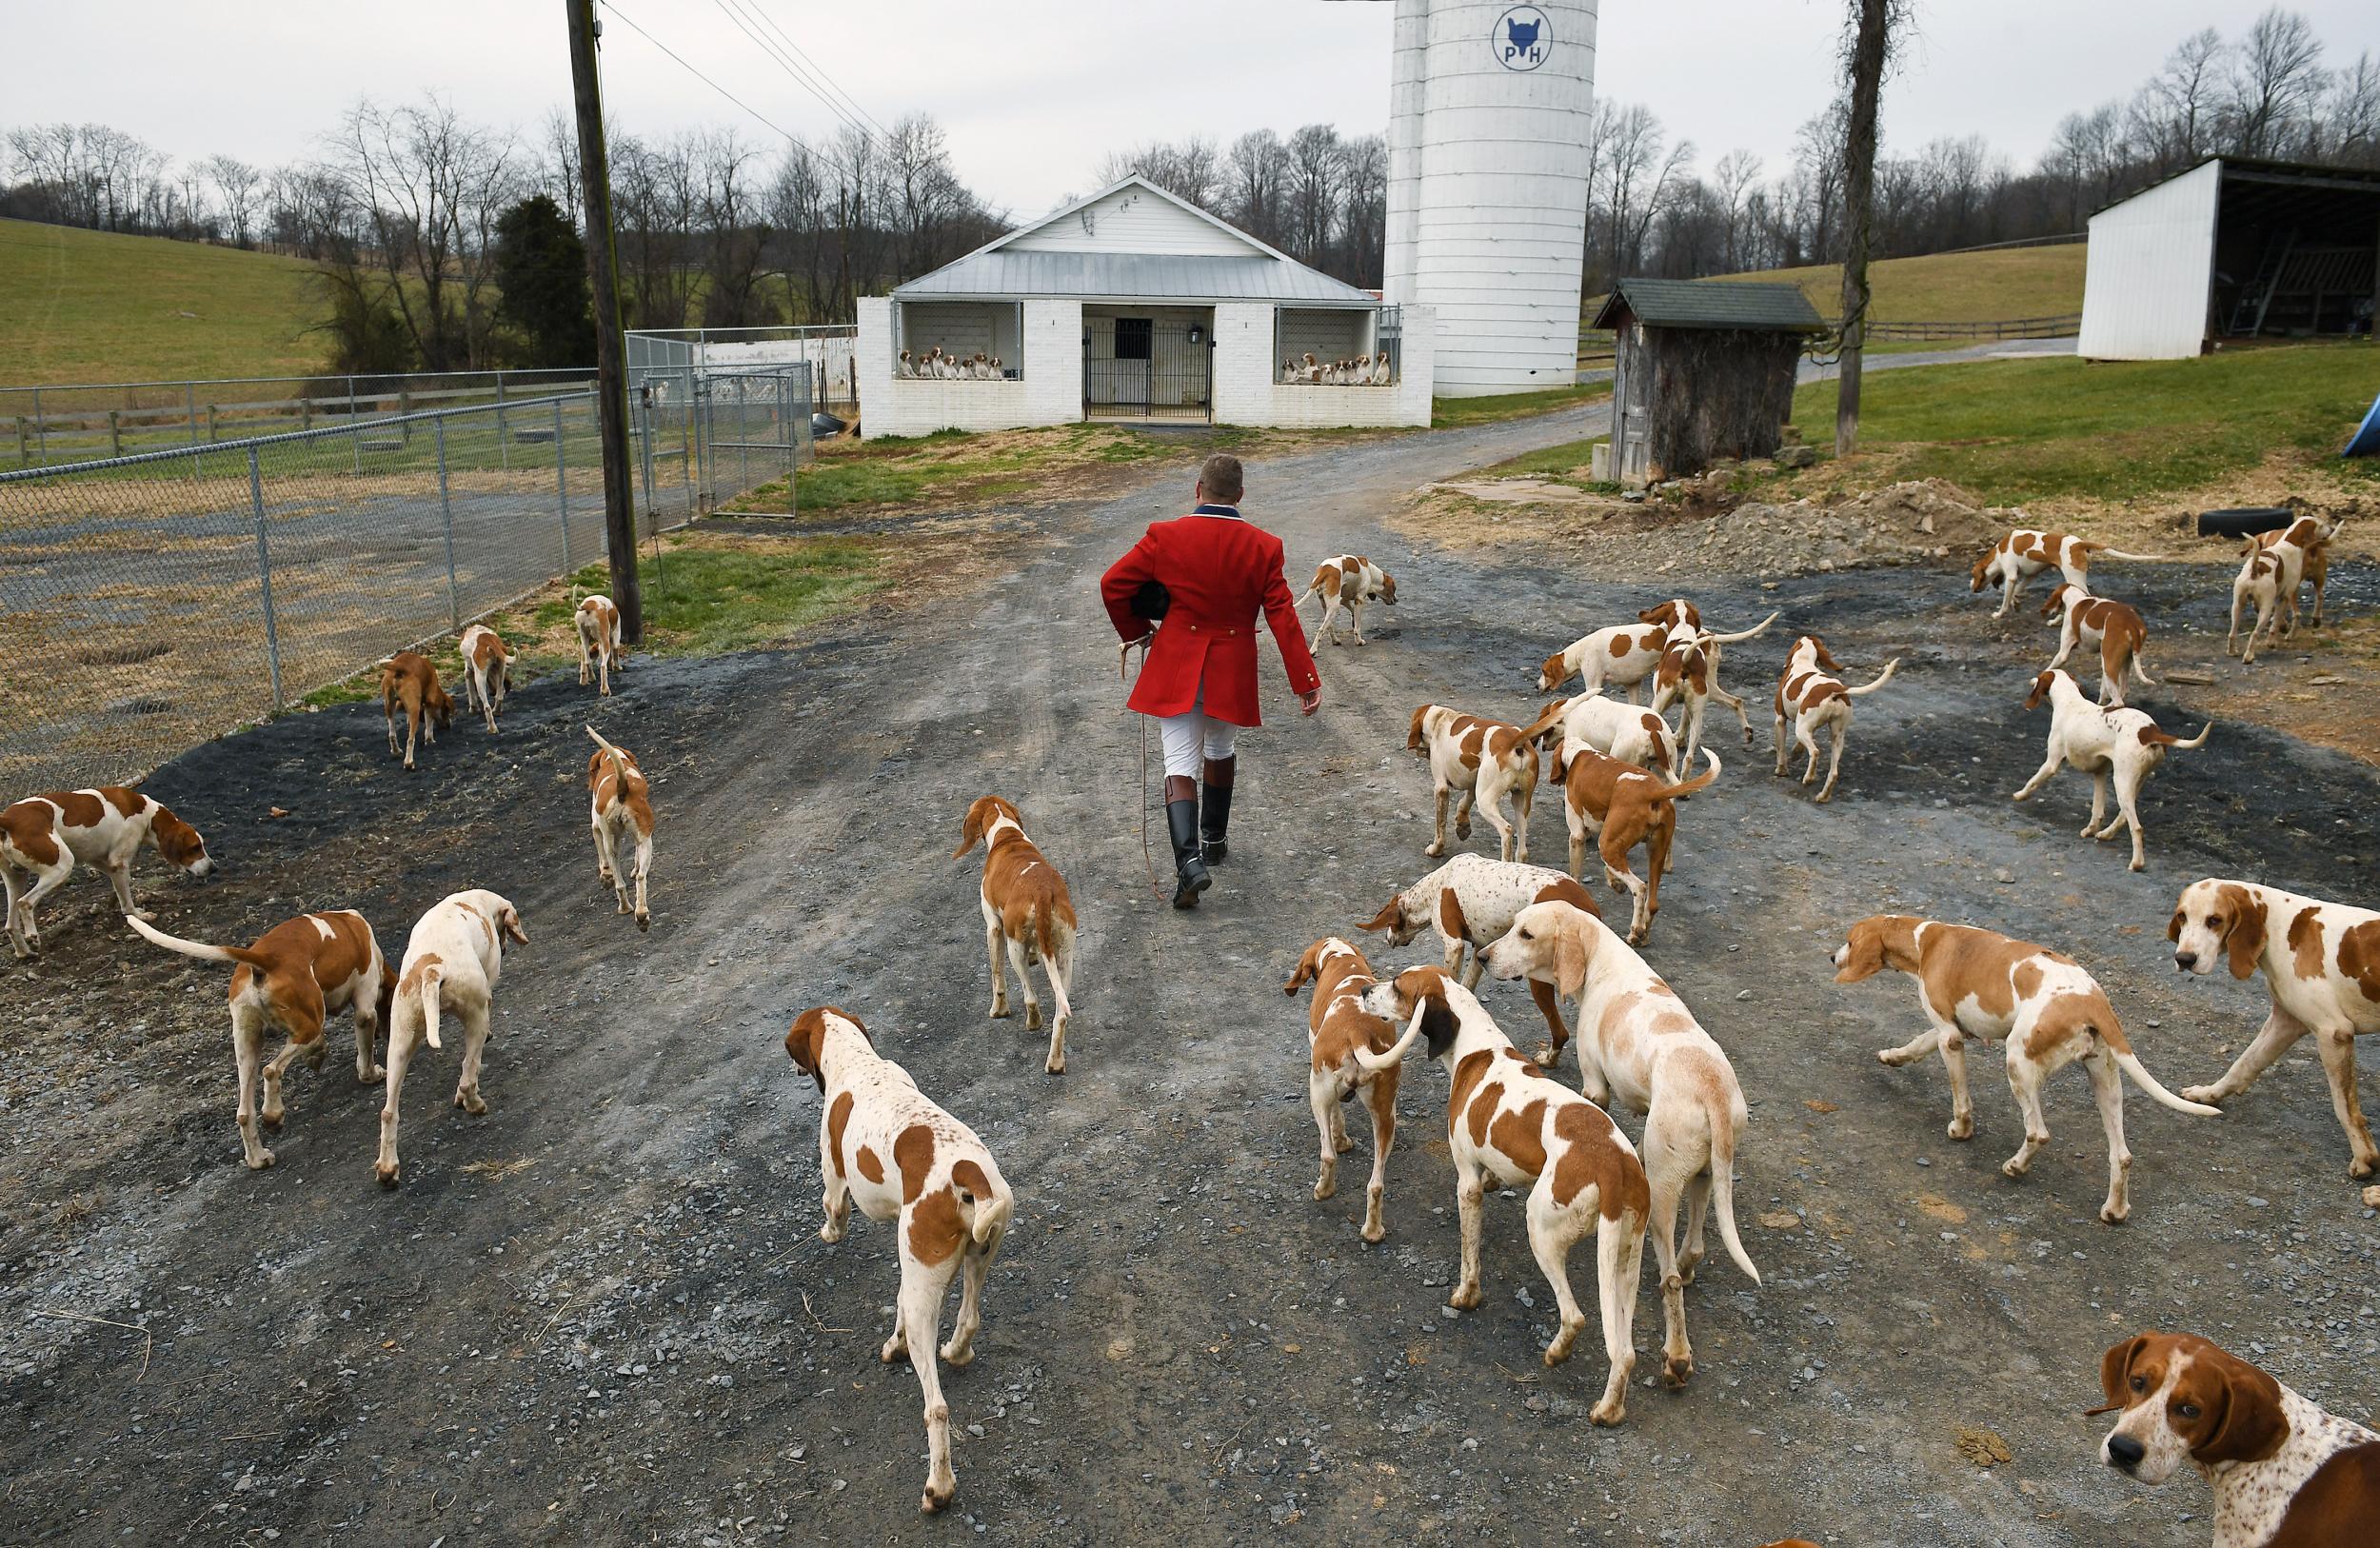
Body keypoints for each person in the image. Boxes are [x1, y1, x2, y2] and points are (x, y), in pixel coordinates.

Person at [1101, 453, 1321, 909]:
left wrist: (1140, 633)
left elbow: (1112, 584)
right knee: (1221, 750)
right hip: (1232, 665)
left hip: (1178, 662)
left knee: (1179, 763)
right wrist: (1304, 679)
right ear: (1240, 495)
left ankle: (1189, 864)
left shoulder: (1165, 535)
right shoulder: (1265, 546)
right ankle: (1215, 840)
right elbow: (1282, 616)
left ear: (1197, 489)